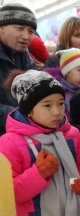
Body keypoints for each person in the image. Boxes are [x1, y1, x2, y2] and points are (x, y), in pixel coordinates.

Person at [0, 70, 80, 216]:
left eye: (60, 103)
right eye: (47, 105)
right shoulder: (9, 143)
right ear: (28, 110)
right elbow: (8, 194)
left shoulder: (72, 135)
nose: (57, 112)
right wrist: (39, 173)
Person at [0, 3, 36, 135]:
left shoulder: (26, 59)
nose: (26, 36)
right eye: (19, 28)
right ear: (1, 27)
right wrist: (20, 116)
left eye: (31, 31)